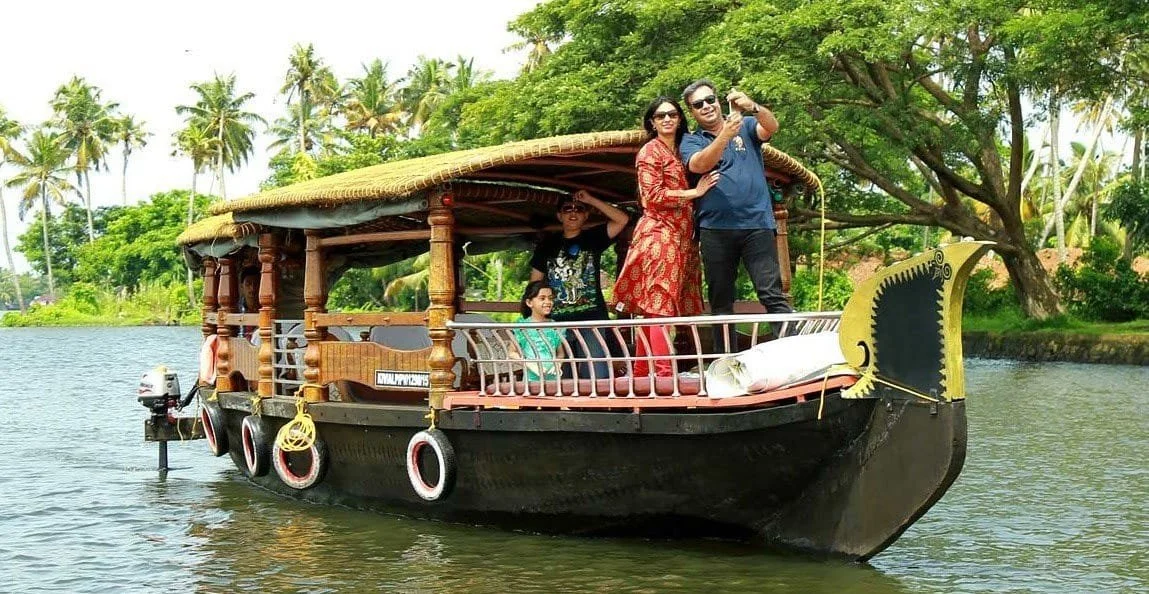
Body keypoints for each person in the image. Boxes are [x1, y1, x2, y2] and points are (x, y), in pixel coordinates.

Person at [679, 79, 793, 350]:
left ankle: (792, 354)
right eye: (698, 104)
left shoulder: (745, 125)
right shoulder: (691, 139)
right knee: (721, 300)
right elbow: (699, 164)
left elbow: (771, 126)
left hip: (757, 225)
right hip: (715, 230)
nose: (706, 106)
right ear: (692, 112)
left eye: (710, 100)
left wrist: (752, 106)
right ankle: (725, 362)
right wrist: (725, 135)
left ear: (718, 101)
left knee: (772, 293)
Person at [613, 97, 719, 376]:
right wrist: (693, 193)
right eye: (661, 116)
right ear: (652, 122)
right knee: (659, 306)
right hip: (659, 234)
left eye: (672, 114)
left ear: (680, 118)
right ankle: (662, 373)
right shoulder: (650, 151)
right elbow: (652, 197)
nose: (667, 119)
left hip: (683, 237)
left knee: (656, 309)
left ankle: (640, 373)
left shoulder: (685, 149)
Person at [530, 190, 629, 379]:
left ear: (586, 215)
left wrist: (591, 199)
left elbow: (622, 219)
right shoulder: (547, 245)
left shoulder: (593, 238)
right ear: (559, 215)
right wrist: (536, 316)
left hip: (592, 319)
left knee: (596, 374)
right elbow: (535, 282)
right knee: (560, 376)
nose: (573, 213)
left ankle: (595, 409)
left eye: (579, 209)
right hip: (557, 321)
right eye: (567, 209)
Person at [508, 281, 565, 382]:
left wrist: (557, 364)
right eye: (542, 298)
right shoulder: (523, 326)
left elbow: (560, 353)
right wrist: (530, 364)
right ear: (529, 303)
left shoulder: (554, 325)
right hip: (531, 381)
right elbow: (512, 353)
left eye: (550, 298)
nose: (548, 302)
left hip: (553, 379)